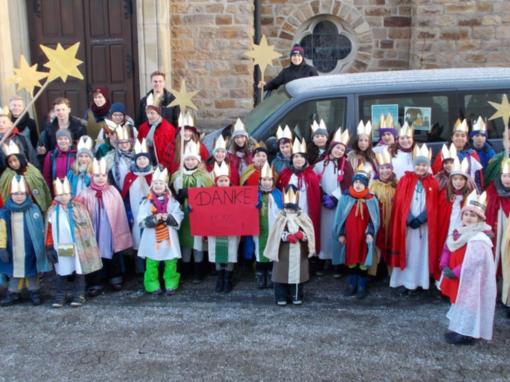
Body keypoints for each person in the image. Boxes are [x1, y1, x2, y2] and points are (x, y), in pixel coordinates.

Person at [440, 191, 496, 345]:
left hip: (468, 277)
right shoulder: (459, 232)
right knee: (458, 301)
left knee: (469, 303)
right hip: (454, 274)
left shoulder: (480, 237)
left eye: (473, 215)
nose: (469, 218)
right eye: (466, 214)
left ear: (479, 219)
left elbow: (474, 261)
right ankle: (459, 327)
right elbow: (447, 248)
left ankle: (468, 333)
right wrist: (444, 265)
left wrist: (456, 272)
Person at [76, 158, 133, 295]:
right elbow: (79, 213)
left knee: (112, 251)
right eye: (97, 176)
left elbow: (119, 213)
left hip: (110, 227)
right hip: (93, 228)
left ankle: (115, 276)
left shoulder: (113, 191)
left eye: (103, 175)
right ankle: (94, 282)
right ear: (91, 176)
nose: (100, 178)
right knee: (94, 254)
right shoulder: (84, 194)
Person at [389, 143, 440, 293]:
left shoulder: (433, 182)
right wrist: (409, 217)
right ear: (414, 165)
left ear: (428, 166)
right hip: (408, 225)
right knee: (408, 251)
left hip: (424, 226)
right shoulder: (405, 180)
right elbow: (399, 201)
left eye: (424, 165)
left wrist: (423, 217)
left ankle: (419, 281)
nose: (421, 168)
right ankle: (404, 281)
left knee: (420, 253)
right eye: (418, 165)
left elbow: (434, 205)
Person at [45, 177, 103, 308]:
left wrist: (87, 244)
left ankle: (79, 294)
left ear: (70, 194)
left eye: (65, 194)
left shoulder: (79, 207)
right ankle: (60, 295)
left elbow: (87, 226)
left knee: (79, 269)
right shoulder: (52, 211)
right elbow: (49, 230)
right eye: (60, 194)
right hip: (62, 246)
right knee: (62, 269)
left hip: (78, 245)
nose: (63, 197)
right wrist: (49, 246)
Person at [0, 176, 49, 306]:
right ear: (11, 194)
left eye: (22, 193)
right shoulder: (5, 212)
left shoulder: (33, 209)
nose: (19, 196)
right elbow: (2, 230)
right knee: (15, 272)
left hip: (30, 248)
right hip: (13, 248)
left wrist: (43, 247)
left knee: (32, 271)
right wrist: (2, 247)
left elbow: (41, 229)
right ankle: (13, 293)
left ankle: (35, 292)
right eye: (16, 193)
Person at [263, 185, 315, 306]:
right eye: (288, 208)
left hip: (298, 252)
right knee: (281, 275)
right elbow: (275, 233)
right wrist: (286, 236)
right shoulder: (280, 217)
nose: (290, 211)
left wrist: (302, 235)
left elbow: (309, 231)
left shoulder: (302, 216)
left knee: (297, 277)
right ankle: (281, 296)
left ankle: (296, 295)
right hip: (283, 252)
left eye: (292, 209)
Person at [333, 165, 380, 299]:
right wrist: (341, 234)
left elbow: (374, 219)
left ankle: (362, 285)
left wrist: (370, 233)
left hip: (364, 236)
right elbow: (340, 217)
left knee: (363, 260)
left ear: (365, 184)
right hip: (350, 236)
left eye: (361, 183)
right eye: (356, 182)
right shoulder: (346, 197)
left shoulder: (371, 198)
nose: (358, 185)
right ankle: (351, 283)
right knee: (351, 259)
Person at [171, 140, 213, 283]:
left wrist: (190, 192)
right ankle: (185, 269)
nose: (189, 162)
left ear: (197, 161)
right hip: (183, 213)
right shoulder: (177, 175)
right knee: (185, 242)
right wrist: (178, 194)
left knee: (198, 242)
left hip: (198, 213)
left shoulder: (204, 175)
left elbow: (209, 194)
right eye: (187, 159)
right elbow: (170, 193)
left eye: (192, 159)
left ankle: (198, 271)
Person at [137, 167, 183, 295]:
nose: (158, 186)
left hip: (169, 238)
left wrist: (168, 217)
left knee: (171, 263)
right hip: (152, 238)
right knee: (151, 263)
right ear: (152, 185)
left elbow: (179, 214)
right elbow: (140, 219)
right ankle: (152, 285)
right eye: (156, 183)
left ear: (165, 186)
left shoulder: (172, 201)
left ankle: (171, 284)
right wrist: (153, 219)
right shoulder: (146, 202)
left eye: (161, 183)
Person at [313, 127, 353, 275]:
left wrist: (335, 198)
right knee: (324, 232)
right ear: (331, 148)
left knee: (336, 231)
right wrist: (323, 195)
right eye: (337, 148)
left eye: (342, 149)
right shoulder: (319, 164)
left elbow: (348, 184)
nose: (339, 151)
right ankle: (323, 260)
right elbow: (314, 180)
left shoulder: (346, 166)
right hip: (323, 205)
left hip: (338, 205)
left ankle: (337, 262)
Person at [276, 137, 321, 253]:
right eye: (296, 156)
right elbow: (278, 192)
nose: (299, 159)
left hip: (306, 210)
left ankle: (309, 254)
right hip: (289, 212)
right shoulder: (285, 174)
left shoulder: (311, 175)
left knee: (305, 233)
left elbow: (315, 197)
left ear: (306, 159)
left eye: (301, 156)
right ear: (292, 159)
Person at [207, 162, 240, 293]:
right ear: (216, 181)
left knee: (230, 254)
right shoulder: (209, 194)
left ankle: (228, 279)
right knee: (218, 254)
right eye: (220, 180)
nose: (223, 183)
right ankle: (220, 278)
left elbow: (243, 209)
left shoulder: (237, 194)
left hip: (231, 230)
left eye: (225, 180)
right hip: (215, 229)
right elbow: (203, 210)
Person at [121, 138, 153, 271]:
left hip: (151, 211)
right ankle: (139, 268)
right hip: (134, 211)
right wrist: (128, 212)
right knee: (137, 239)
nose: (142, 161)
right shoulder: (130, 176)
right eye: (139, 159)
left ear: (149, 160)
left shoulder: (153, 174)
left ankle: (151, 267)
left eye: (144, 159)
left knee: (150, 237)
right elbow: (125, 195)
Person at [486, 157, 510, 315]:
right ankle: (490, 295)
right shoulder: (492, 191)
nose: (508, 179)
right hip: (497, 230)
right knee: (493, 261)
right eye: (505, 175)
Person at [253, 162, 283, 289]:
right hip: (259, 229)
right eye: (264, 179)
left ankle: (272, 276)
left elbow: (281, 211)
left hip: (273, 228)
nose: (266, 182)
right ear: (260, 181)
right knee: (260, 253)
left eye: (269, 179)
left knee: (272, 251)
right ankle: (260, 276)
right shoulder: (254, 193)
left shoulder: (277, 194)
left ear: (273, 180)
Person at [432, 119, 483, 191]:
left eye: (463, 136)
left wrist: (478, 192)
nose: (460, 138)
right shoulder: (444, 153)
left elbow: (478, 178)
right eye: (457, 135)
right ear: (452, 138)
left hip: (468, 191)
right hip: (448, 192)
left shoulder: (472, 154)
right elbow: (437, 175)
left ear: (467, 139)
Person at [0, 140, 51, 213]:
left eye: (15, 160)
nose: (13, 164)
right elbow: (4, 195)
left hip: (35, 207)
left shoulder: (32, 170)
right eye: (10, 162)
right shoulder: (6, 176)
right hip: (16, 210)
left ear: (20, 159)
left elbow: (43, 188)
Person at [437, 157, 475, 253]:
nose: (458, 182)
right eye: (455, 179)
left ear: (466, 181)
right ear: (451, 180)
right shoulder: (445, 195)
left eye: (461, 179)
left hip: (463, 231)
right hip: (447, 228)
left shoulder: (470, 196)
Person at [369, 148, 397, 277]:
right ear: (377, 170)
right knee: (376, 243)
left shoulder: (397, 185)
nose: (385, 171)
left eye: (388, 168)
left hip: (392, 221)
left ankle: (390, 271)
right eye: (382, 168)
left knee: (391, 242)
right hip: (377, 222)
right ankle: (375, 270)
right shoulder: (373, 185)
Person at [137, 102, 176, 172]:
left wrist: (164, 165)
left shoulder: (169, 128)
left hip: (163, 166)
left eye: (152, 113)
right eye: (147, 113)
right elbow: (139, 145)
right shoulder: (143, 128)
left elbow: (172, 149)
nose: (149, 116)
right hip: (147, 165)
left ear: (158, 113)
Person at [0, 106, 38, 172]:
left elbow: (32, 158)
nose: (1, 125)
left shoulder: (22, 139)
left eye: (4, 122)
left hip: (26, 174)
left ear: (11, 125)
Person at [105, 125, 135, 191]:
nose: (124, 145)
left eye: (127, 142)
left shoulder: (137, 156)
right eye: (121, 142)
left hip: (135, 192)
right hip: (117, 192)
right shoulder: (110, 158)